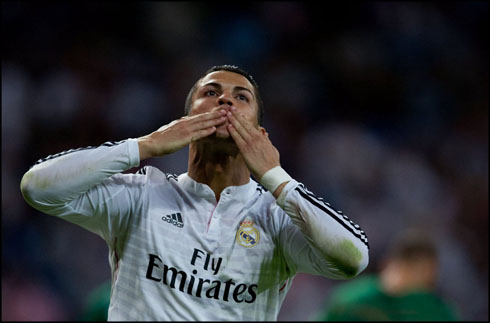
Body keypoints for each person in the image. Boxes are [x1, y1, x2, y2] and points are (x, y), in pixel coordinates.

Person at [20, 65, 369, 321]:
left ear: (261, 133)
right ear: (185, 122)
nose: (225, 102)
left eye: (241, 97)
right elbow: (38, 187)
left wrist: (276, 177)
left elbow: (353, 257)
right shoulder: (142, 195)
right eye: (211, 92)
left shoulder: (276, 219)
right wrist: (144, 146)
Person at [313, 229, 458, 321]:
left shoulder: (434, 310)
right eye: (426, 272)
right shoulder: (353, 300)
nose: (431, 280)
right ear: (406, 266)